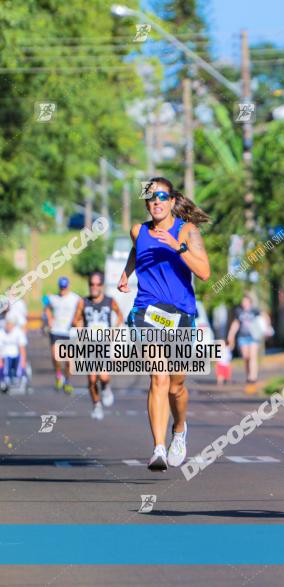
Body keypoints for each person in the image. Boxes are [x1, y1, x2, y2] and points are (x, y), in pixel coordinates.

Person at [118, 177, 210, 472]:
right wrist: (126, 273)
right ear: (146, 203)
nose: (156, 202)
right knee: (158, 376)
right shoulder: (138, 230)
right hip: (147, 310)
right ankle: (158, 447)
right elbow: (138, 248)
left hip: (181, 313)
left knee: (176, 385)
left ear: (172, 201)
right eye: (150, 197)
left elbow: (205, 272)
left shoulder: (187, 231)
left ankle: (179, 429)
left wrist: (178, 247)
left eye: (161, 196)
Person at [73, 271, 124, 420]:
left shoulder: (110, 301)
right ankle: (96, 404)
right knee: (91, 379)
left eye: (97, 284)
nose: (94, 287)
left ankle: (106, 388)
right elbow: (76, 320)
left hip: (104, 343)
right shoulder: (83, 302)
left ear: (102, 285)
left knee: (103, 376)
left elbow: (120, 315)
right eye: (91, 284)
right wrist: (80, 330)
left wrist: (114, 330)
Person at [45, 277, 81, 393]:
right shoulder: (53, 298)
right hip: (56, 331)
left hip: (69, 332)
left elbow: (81, 311)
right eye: (61, 287)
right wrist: (49, 319)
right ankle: (58, 375)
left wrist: (79, 323)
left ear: (68, 286)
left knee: (69, 361)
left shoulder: (75, 298)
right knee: (56, 357)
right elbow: (47, 308)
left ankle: (67, 381)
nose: (63, 290)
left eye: (64, 287)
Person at [226, 295, 270, 384]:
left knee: (253, 356)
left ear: (249, 302)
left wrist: (266, 328)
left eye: (246, 301)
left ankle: (253, 377)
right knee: (246, 357)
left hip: (254, 336)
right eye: (243, 301)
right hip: (242, 337)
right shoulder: (239, 312)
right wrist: (231, 335)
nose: (244, 303)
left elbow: (265, 316)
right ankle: (248, 375)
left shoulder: (255, 310)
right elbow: (236, 324)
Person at [0, 320, 27, 393]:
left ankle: (20, 377)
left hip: (16, 355)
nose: (8, 326)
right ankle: (4, 378)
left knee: (20, 360)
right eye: (7, 324)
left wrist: (23, 361)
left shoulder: (18, 332)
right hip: (5, 356)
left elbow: (22, 348)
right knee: (5, 361)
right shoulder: (1, 333)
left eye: (10, 324)